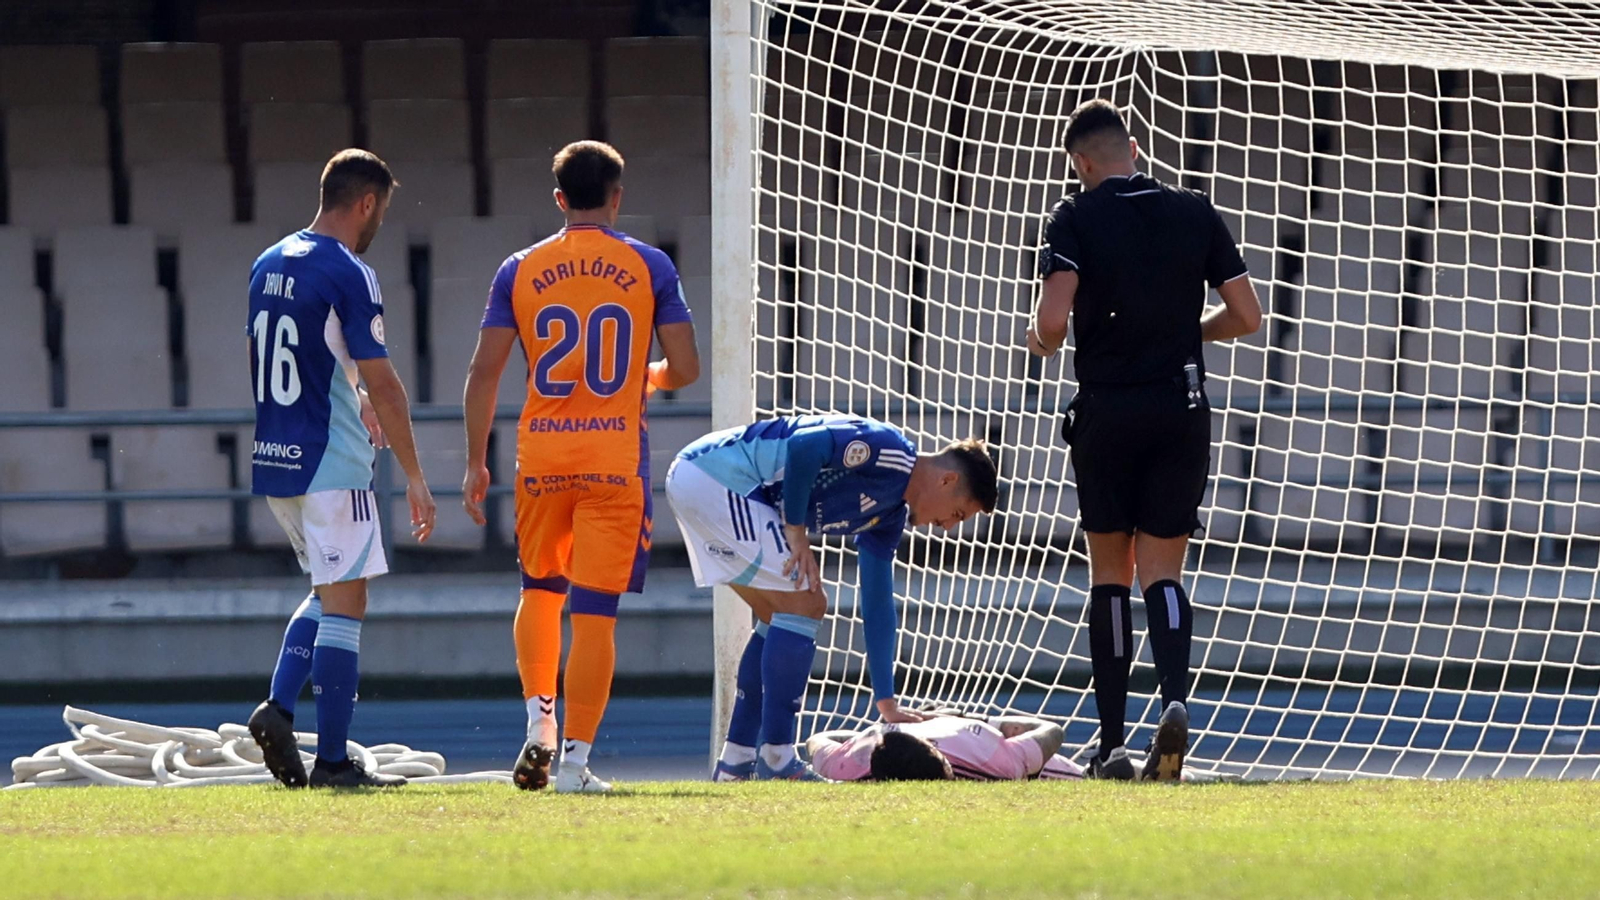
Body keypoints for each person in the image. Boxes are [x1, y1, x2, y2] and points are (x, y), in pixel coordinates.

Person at [1026, 99, 1262, 782]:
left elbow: (1052, 322)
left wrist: (1038, 340)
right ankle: (1176, 701)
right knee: (1164, 571)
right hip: (1180, 409)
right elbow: (1247, 315)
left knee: (1110, 574)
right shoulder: (1194, 210)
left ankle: (1112, 745)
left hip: (1108, 413)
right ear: (1134, 149)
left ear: (1081, 164)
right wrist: (1187, 333)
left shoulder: (1074, 215)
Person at [461, 140, 700, 794]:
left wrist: (475, 462)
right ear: (617, 197)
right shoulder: (650, 264)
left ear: (559, 198)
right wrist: (647, 376)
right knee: (594, 613)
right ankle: (573, 764)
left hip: (542, 455)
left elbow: (483, 373)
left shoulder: (519, 268)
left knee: (540, 591)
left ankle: (539, 725)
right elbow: (685, 367)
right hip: (613, 460)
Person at [245, 149, 438, 789]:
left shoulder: (268, 262)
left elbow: (292, 357)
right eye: (381, 209)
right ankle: (332, 761)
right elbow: (386, 383)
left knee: (328, 592)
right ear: (366, 203)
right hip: (332, 461)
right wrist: (414, 476)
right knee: (348, 603)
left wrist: (348, 392)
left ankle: (278, 709)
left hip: (278, 459)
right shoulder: (350, 270)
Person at [665, 415, 999, 781]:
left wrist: (886, 701)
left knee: (779, 616)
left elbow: (877, 602)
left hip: (702, 478)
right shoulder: (890, 450)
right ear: (947, 480)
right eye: (957, 514)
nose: (948, 526)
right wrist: (796, 531)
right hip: (719, 477)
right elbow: (805, 445)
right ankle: (777, 758)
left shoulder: (889, 515)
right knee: (807, 604)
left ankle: (735, 762)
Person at [807, 713, 1080, 781]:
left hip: (959, 726)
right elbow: (1052, 729)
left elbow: (817, 740)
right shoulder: (995, 764)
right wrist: (991, 722)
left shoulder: (846, 765)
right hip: (970, 730)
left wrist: (868, 736)